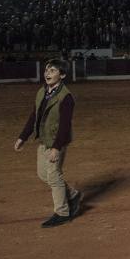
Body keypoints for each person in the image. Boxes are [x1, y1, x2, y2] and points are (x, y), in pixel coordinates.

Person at [14, 59, 82, 227]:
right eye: (46, 70)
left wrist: (56, 148)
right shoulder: (42, 92)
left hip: (57, 141)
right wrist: (23, 137)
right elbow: (34, 116)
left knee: (53, 175)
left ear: (62, 75)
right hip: (44, 140)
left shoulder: (66, 97)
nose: (47, 73)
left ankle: (62, 212)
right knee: (43, 174)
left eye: (52, 70)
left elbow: (65, 126)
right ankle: (72, 194)